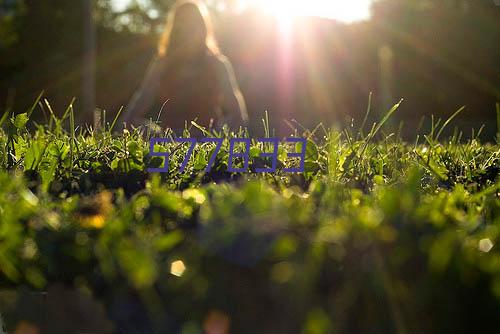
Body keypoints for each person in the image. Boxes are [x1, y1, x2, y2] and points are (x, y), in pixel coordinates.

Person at [122, 0, 248, 131]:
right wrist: (126, 126)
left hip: (207, 141)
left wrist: (215, 133)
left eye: (193, 25)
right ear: (176, 29)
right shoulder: (162, 64)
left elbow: (238, 115)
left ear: (202, 28)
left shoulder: (218, 64)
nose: (188, 31)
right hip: (170, 141)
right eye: (183, 25)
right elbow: (140, 102)